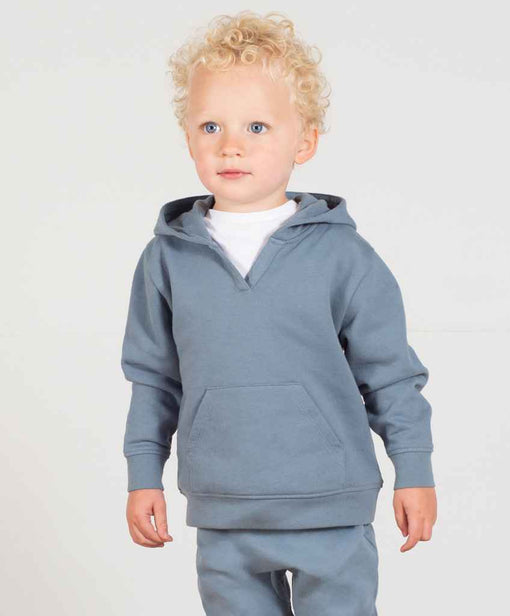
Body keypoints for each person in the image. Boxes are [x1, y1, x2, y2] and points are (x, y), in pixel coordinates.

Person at [120, 10, 437, 615]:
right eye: (210, 125)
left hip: (331, 506)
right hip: (223, 511)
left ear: (305, 141)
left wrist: (414, 469)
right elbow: (153, 379)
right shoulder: (167, 259)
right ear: (188, 138)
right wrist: (143, 475)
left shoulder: (344, 256)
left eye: (257, 126)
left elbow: (390, 374)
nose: (231, 144)